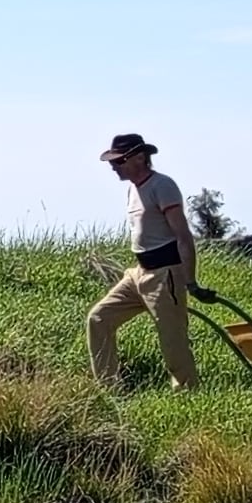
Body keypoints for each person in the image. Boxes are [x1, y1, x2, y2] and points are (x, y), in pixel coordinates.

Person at [87, 132, 200, 391]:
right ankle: (109, 389)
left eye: (119, 161)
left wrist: (190, 281)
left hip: (165, 275)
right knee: (98, 319)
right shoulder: (133, 190)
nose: (113, 167)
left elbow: (183, 237)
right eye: (112, 162)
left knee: (173, 341)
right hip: (138, 274)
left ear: (139, 157)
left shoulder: (162, 186)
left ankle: (187, 393)